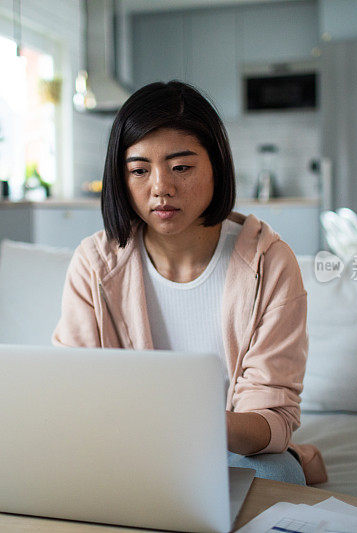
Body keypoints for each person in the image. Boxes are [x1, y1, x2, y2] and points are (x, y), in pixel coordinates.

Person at [52, 80, 326, 485]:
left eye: (181, 167)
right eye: (140, 170)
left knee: (280, 474)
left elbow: (271, 418)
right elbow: (73, 389)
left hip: (229, 452)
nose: (161, 187)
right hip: (125, 449)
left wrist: (189, 424)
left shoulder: (269, 263)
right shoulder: (94, 264)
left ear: (216, 166)